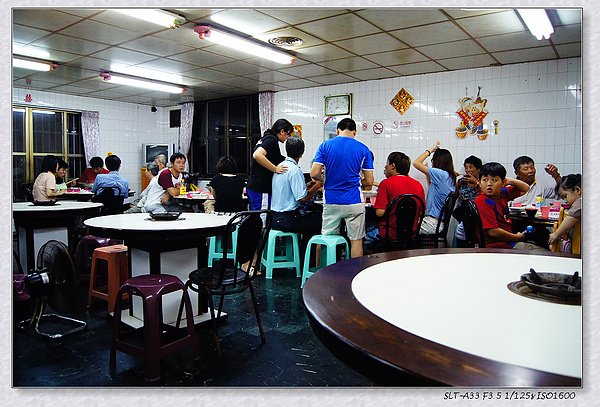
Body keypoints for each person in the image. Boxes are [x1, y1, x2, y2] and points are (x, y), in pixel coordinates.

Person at [310, 118, 374, 258]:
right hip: (354, 201)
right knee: (356, 241)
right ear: (354, 132)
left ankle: (322, 273)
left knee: (326, 238)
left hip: (331, 200)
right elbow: (369, 181)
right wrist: (357, 182)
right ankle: (353, 275)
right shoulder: (364, 149)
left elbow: (314, 173)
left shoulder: (325, 146)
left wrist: (325, 180)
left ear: (337, 131)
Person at [474, 162, 547, 251]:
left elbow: (526, 188)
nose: (489, 184)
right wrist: (517, 237)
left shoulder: (502, 193)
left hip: (508, 242)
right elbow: (493, 232)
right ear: (479, 183)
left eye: (494, 180)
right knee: (542, 252)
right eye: (485, 180)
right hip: (499, 246)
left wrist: (510, 181)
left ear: (503, 182)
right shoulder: (483, 200)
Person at [364, 151, 425, 251]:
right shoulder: (418, 185)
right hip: (411, 234)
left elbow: (379, 213)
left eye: (387, 163)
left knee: (365, 231)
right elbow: (422, 212)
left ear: (393, 166)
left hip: (389, 234)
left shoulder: (386, 184)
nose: (385, 167)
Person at [271, 137, 322, 252]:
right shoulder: (294, 170)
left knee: (311, 220)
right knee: (318, 221)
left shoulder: (281, 166)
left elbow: (288, 190)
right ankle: (307, 258)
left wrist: (307, 186)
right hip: (286, 219)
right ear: (302, 153)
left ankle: (301, 255)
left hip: (274, 217)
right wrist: (317, 186)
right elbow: (303, 198)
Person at [246, 118, 292, 211]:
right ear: (282, 131)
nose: (288, 137)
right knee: (262, 216)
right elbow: (257, 155)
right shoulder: (271, 140)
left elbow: (275, 157)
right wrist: (275, 169)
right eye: (288, 134)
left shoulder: (266, 138)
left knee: (255, 216)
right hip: (261, 188)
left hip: (254, 186)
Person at [412, 140, 457, 234]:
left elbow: (416, 163)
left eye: (433, 160)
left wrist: (431, 150)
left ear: (437, 161)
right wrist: (428, 174)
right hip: (439, 223)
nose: (432, 163)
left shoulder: (441, 174)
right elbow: (433, 188)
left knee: (405, 228)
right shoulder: (449, 176)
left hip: (432, 223)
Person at [453, 155, 482, 247]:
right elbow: (453, 193)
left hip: (478, 215)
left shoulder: (483, 182)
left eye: (471, 167)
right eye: (466, 167)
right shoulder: (462, 182)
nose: (468, 170)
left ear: (478, 169)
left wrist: (476, 183)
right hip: (463, 215)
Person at [548, 174, 581, 248]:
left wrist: (556, 234)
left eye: (565, 196)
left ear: (577, 190)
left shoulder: (580, 202)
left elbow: (571, 218)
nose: (565, 201)